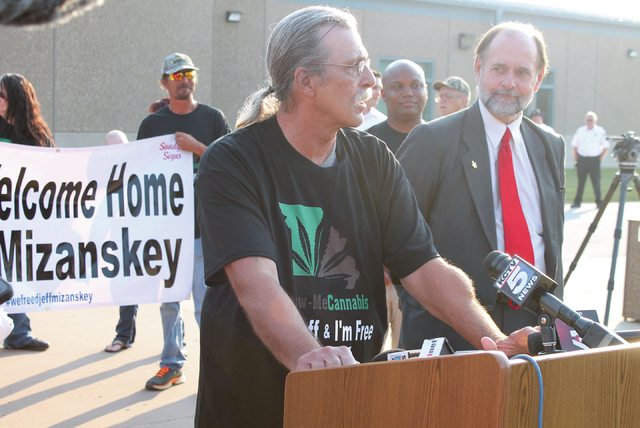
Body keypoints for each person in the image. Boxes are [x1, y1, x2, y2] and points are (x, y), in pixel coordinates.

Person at [194, 7, 532, 427]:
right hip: (255, 402)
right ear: (306, 81)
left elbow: (426, 269)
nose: (372, 81)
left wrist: (494, 342)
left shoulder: (372, 157)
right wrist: (310, 359)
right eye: (355, 67)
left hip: (357, 398)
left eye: (368, 66)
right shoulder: (233, 160)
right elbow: (256, 284)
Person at [396, 22, 566, 351]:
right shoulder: (432, 141)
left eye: (522, 72)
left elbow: (550, 245)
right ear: (478, 68)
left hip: (533, 331)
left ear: (538, 78)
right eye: (499, 69)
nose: (508, 83)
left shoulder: (550, 146)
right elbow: (397, 246)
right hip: (452, 335)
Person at [103, 53, 230, 392]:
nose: (183, 79)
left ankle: (218, 371)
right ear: (164, 82)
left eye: (188, 73)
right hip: (168, 235)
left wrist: (197, 148)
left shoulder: (212, 118)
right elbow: (141, 175)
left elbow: (232, 165)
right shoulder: (153, 125)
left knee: (206, 309)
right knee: (169, 305)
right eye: (176, 76)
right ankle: (172, 365)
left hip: (205, 231)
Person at [0, 73, 53, 351]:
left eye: (1, 96)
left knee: (15, 277)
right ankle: (17, 332)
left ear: (16, 100)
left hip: (23, 218)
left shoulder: (36, 134)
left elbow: (54, 173)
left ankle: (18, 332)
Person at [366, 59, 427, 153]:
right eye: (397, 87)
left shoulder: (442, 141)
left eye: (416, 85)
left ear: (426, 92)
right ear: (383, 94)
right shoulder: (366, 144)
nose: (408, 93)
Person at [571, 111, 609, 208]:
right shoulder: (580, 130)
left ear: (595, 120)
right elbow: (575, 146)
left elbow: (605, 147)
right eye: (588, 119)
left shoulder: (600, 131)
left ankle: (599, 202)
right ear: (586, 120)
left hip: (594, 160)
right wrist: (577, 160)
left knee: (596, 182)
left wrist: (599, 159)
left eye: (591, 119)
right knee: (581, 182)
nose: (589, 121)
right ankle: (577, 202)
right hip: (582, 160)